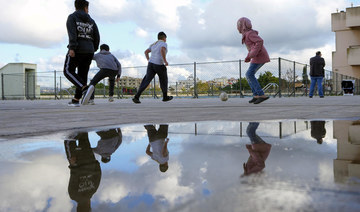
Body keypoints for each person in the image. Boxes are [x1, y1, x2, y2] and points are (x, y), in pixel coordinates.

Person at [63, 0, 100, 107]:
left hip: (78, 49)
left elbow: (72, 33)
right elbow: (97, 36)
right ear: (85, 7)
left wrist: (72, 47)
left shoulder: (72, 17)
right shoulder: (92, 21)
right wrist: (93, 48)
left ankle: (85, 89)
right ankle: (76, 99)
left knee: (68, 70)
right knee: (82, 74)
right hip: (89, 50)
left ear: (76, 7)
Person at [64, 132, 101, 212]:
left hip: (89, 159)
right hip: (77, 163)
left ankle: (82, 121)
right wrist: (73, 165)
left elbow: (98, 174)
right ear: (78, 207)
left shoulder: (93, 190)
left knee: (84, 136)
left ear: (89, 205)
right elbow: (73, 179)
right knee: (69, 140)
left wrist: (95, 162)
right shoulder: (74, 195)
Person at [132, 32, 173, 104]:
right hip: (159, 64)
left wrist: (148, 60)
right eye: (165, 38)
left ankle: (136, 96)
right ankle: (165, 96)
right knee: (163, 79)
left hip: (151, 64)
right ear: (164, 38)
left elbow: (146, 52)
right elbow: (162, 50)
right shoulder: (163, 43)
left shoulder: (154, 44)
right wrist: (165, 61)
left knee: (146, 80)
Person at [237, 17, 270, 104]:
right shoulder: (247, 34)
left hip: (259, 56)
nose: (237, 27)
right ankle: (256, 95)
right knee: (249, 75)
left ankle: (260, 94)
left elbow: (259, 41)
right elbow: (251, 48)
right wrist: (248, 56)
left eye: (238, 25)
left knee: (249, 74)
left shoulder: (249, 34)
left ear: (242, 25)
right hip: (256, 56)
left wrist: (251, 55)